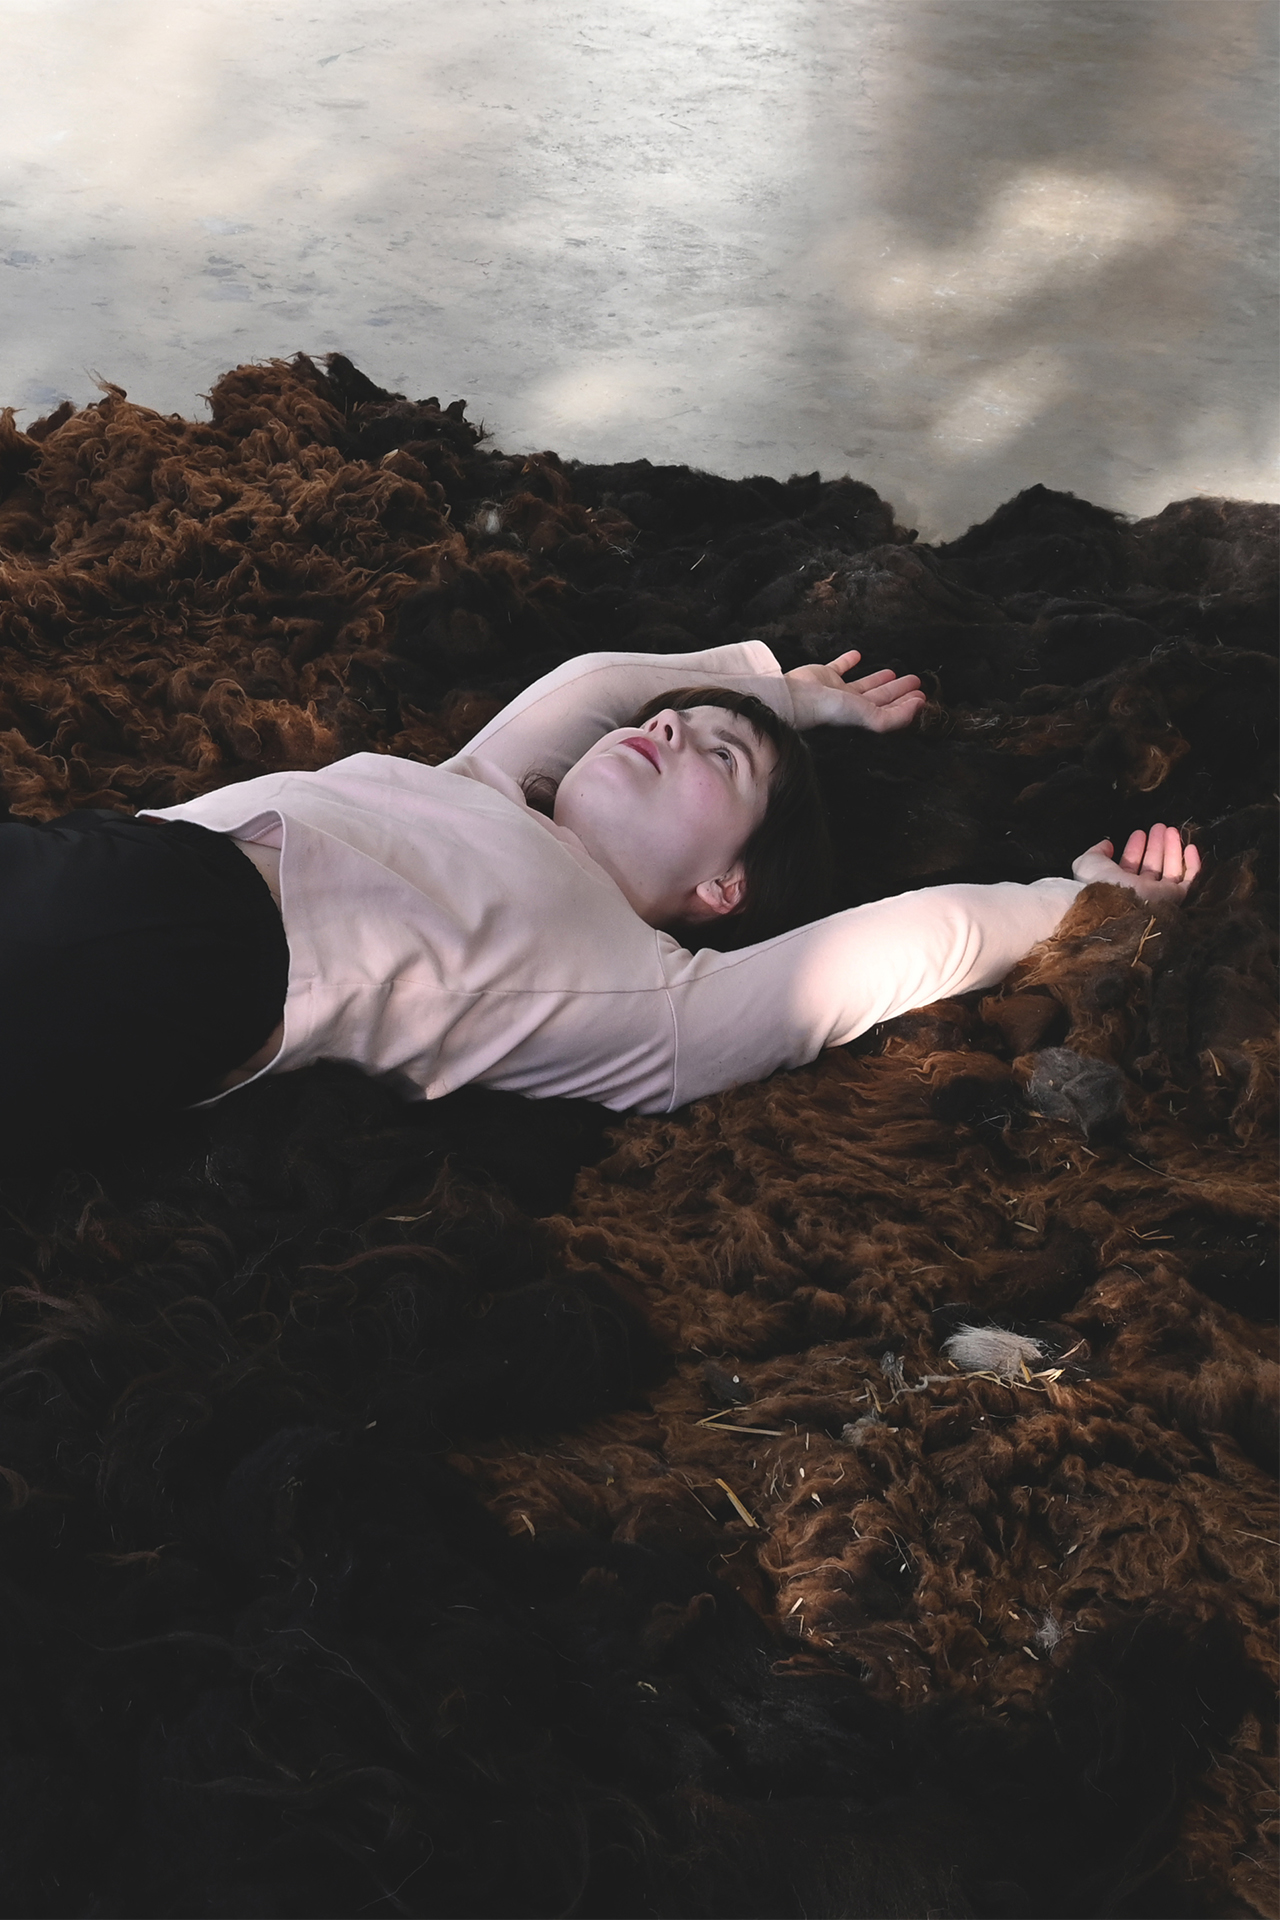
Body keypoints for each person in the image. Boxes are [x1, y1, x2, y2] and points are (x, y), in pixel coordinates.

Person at [2, 641, 1199, 1138]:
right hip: (103, 859)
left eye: (711, 759)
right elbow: (594, 682)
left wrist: (1074, 900)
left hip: (163, 955)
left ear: (723, 889)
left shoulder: (644, 994)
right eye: (667, 726)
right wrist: (776, 692)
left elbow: (904, 940)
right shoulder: (476, 781)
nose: (668, 726)